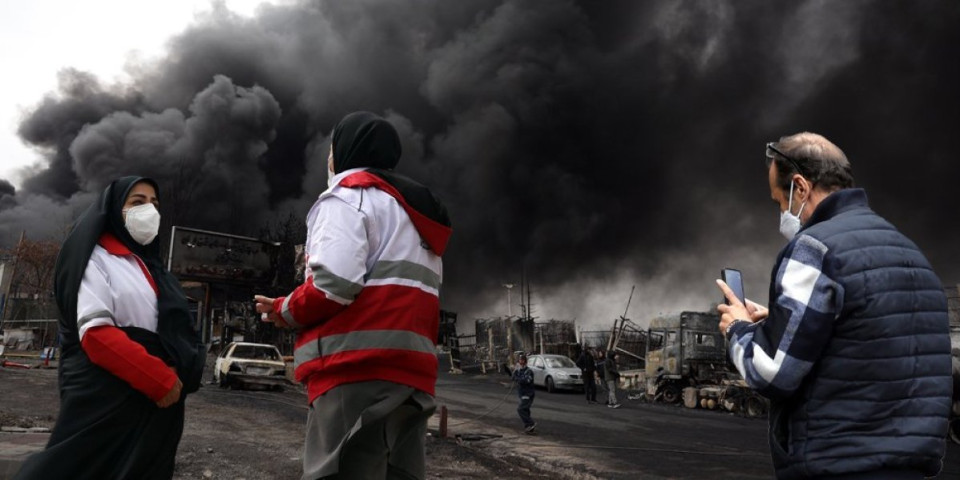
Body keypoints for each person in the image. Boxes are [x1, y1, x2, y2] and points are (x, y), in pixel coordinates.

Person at [716, 132, 952, 480]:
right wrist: (778, 323)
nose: (781, 212)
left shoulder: (814, 248)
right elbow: (869, 341)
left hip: (839, 465)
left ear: (800, 187)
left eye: (779, 201)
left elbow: (772, 373)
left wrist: (738, 328)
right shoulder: (908, 250)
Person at [254, 111, 452, 480]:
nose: (328, 160)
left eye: (331, 150)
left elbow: (334, 285)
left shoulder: (347, 199)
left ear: (345, 151)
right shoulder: (417, 218)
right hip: (411, 380)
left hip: (355, 374)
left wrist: (286, 309)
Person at [15, 177, 206, 480]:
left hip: (157, 414)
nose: (150, 211)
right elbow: (96, 334)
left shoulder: (152, 268)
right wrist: (159, 380)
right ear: (115, 209)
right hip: (110, 403)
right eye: (138, 202)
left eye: (155, 204)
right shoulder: (95, 259)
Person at [512, 353, 537, 434]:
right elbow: (513, 378)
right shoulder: (518, 370)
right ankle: (529, 428)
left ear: (525, 361)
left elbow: (526, 381)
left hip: (528, 394)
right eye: (520, 360)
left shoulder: (529, 371)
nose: (521, 362)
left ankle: (530, 423)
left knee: (521, 409)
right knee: (526, 410)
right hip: (522, 393)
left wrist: (517, 378)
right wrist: (513, 372)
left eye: (522, 360)